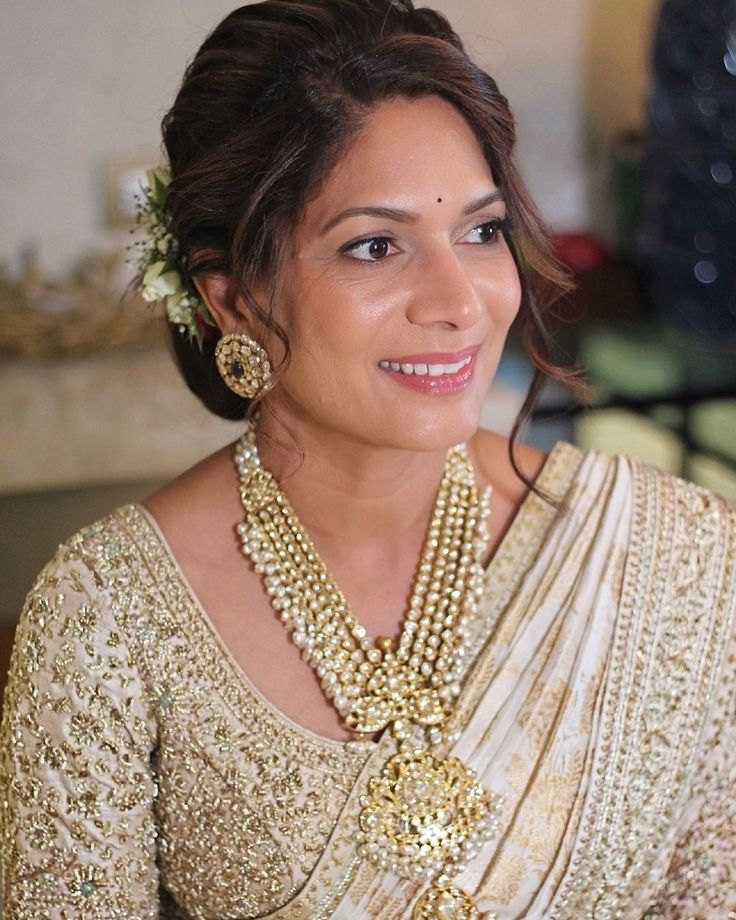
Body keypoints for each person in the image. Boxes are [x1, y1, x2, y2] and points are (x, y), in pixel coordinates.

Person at [1, 1, 734, 917]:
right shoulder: (108, 617)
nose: (459, 301)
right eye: (375, 246)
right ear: (231, 297)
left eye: (480, 230)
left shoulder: (678, 558)